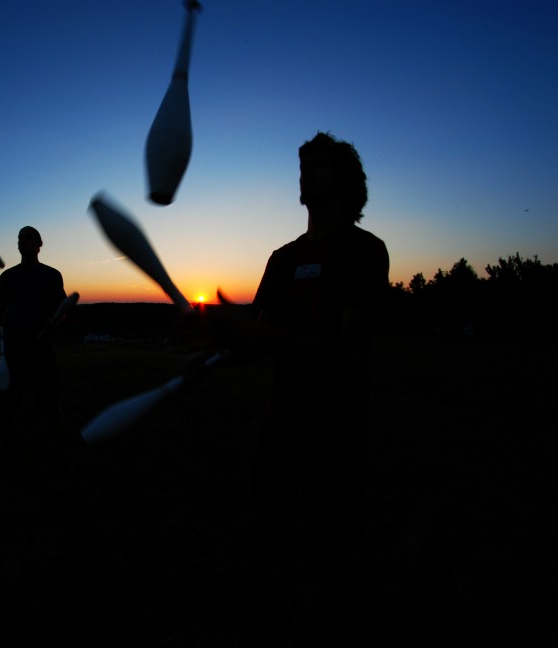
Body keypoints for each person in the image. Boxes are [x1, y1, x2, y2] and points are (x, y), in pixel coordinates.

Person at [238, 132, 389, 637]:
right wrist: (212, 354)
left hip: (337, 423)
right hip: (281, 418)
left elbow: (348, 350)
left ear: (344, 180)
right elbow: (257, 340)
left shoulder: (365, 251)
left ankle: (329, 617)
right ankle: (264, 596)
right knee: (269, 518)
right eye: (303, 167)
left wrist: (257, 336)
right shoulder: (281, 258)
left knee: (330, 537)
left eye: (319, 166)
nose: (306, 174)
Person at [0, 226, 71, 450]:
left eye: (29, 237)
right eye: (20, 238)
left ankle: (64, 450)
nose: (24, 241)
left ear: (39, 245)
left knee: (51, 403)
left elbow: (62, 311)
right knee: (8, 404)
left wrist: (55, 320)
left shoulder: (52, 275)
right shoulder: (6, 277)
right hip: (13, 350)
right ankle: (6, 449)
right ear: (18, 245)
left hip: (41, 348)